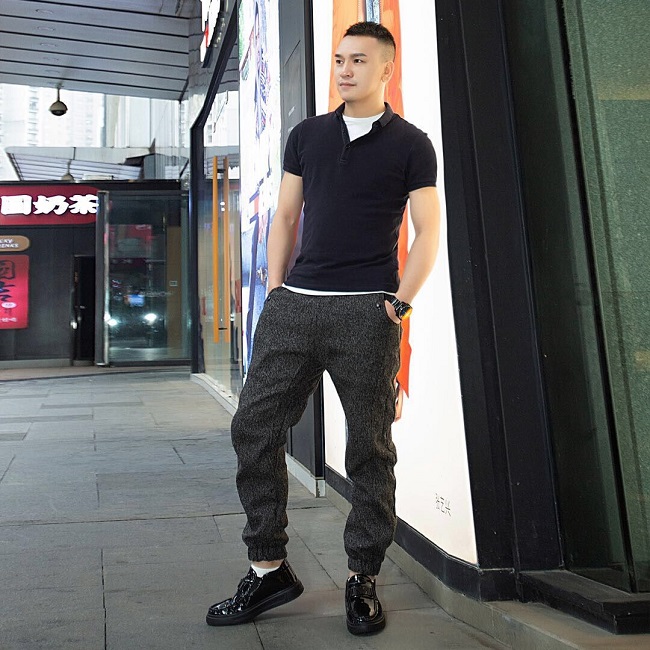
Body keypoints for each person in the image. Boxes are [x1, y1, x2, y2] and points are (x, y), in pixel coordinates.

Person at [206, 21, 440, 636]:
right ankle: (267, 567)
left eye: (358, 60)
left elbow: (428, 231)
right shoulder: (307, 135)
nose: (344, 70)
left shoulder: (412, 144)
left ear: (386, 69)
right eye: (339, 59)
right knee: (254, 427)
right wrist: (276, 291)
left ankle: (363, 577)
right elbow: (286, 215)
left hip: (366, 310)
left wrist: (400, 303)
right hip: (296, 307)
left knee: (368, 449)